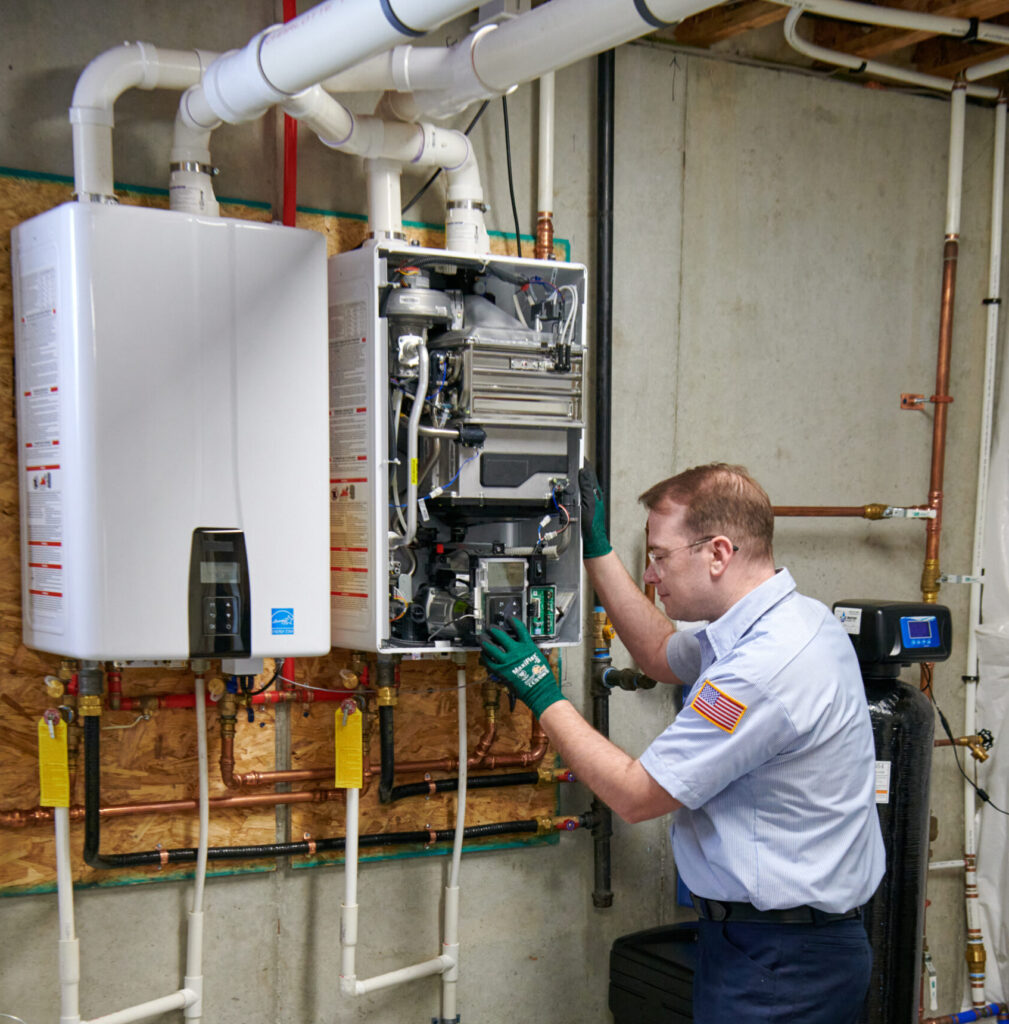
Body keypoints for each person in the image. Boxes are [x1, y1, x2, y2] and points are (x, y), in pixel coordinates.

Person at [480, 462, 885, 1024]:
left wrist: (543, 693)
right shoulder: (788, 621)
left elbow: (636, 795)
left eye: (661, 557)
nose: (651, 574)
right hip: (772, 946)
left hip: (781, 962)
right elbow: (661, 652)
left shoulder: (764, 668)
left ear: (718, 553)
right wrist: (596, 549)